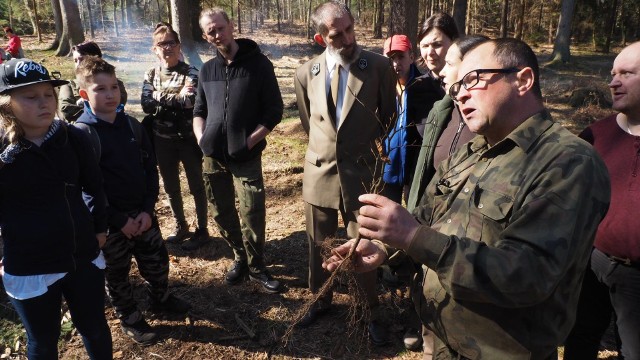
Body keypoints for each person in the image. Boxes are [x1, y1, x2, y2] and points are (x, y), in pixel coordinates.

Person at [322, 38, 611, 359]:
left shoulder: (568, 162)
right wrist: (384, 248)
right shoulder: (472, 152)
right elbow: (425, 220)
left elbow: (527, 275)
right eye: (457, 84)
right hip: (440, 338)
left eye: (473, 80)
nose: (459, 92)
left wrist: (411, 236)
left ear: (523, 80)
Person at [293, 1, 396, 345]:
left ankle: (370, 310)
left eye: (351, 29)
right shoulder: (306, 73)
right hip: (319, 172)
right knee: (317, 244)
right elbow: (311, 123)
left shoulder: (378, 67)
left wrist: (369, 153)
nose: (349, 38)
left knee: (363, 244)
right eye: (339, 34)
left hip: (364, 174)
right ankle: (319, 299)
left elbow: (390, 118)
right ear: (321, 37)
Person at [0, 58, 112, 359]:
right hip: (29, 264)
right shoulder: (3, 152)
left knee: (94, 327)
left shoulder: (73, 137)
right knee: (43, 339)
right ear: (7, 104)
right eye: (31, 97)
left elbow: (94, 185)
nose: (43, 103)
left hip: (81, 256)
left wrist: (100, 228)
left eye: (48, 94)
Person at [74, 56, 189, 346]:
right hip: (110, 225)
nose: (110, 94)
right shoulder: (82, 134)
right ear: (84, 95)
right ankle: (129, 316)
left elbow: (150, 170)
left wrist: (147, 211)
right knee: (117, 273)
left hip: (143, 215)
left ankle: (160, 298)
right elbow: (86, 190)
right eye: (100, 89)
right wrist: (118, 220)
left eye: (113, 86)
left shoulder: (133, 126)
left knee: (157, 263)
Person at [403, 34, 487, 355]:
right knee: (433, 330)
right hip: (434, 247)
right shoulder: (443, 109)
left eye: (449, 62)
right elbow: (431, 177)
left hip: (468, 265)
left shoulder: (485, 123)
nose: (438, 68)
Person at [194, 8, 283, 293]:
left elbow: (274, 112)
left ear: (231, 26)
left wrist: (250, 141)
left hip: (246, 155)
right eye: (211, 31)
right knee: (220, 211)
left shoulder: (258, 65)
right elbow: (199, 110)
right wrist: (201, 138)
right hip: (213, 156)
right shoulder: (207, 70)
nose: (217, 34)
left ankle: (257, 266)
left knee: (252, 211)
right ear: (206, 36)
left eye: (220, 28)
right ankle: (239, 257)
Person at [564, 41, 640, 360]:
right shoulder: (595, 136)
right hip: (592, 263)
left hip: (637, 278)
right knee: (579, 338)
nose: (613, 82)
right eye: (612, 73)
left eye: (626, 73)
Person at [141, 23, 209, 251]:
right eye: (162, 44)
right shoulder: (151, 74)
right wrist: (171, 100)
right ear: (155, 49)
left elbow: (189, 100)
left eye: (171, 43)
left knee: (196, 185)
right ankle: (181, 226)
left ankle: (202, 229)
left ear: (179, 46)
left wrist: (159, 98)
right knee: (170, 186)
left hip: (188, 140)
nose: (167, 47)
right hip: (162, 140)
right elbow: (146, 104)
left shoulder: (191, 72)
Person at [381, 34, 443, 204]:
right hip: (388, 166)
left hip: (414, 167)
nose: (396, 63)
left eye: (400, 56)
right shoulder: (381, 88)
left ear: (412, 57)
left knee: (412, 215)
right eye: (391, 58)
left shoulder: (425, 87)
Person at [58, 41, 128, 123]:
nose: (78, 64)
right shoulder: (69, 85)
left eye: (81, 59)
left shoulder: (115, 83)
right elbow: (66, 110)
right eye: (75, 61)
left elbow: (119, 104)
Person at [417, 13, 458, 93]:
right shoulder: (415, 89)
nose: (430, 53)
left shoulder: (468, 85)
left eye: (437, 45)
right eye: (425, 46)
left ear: (453, 43)